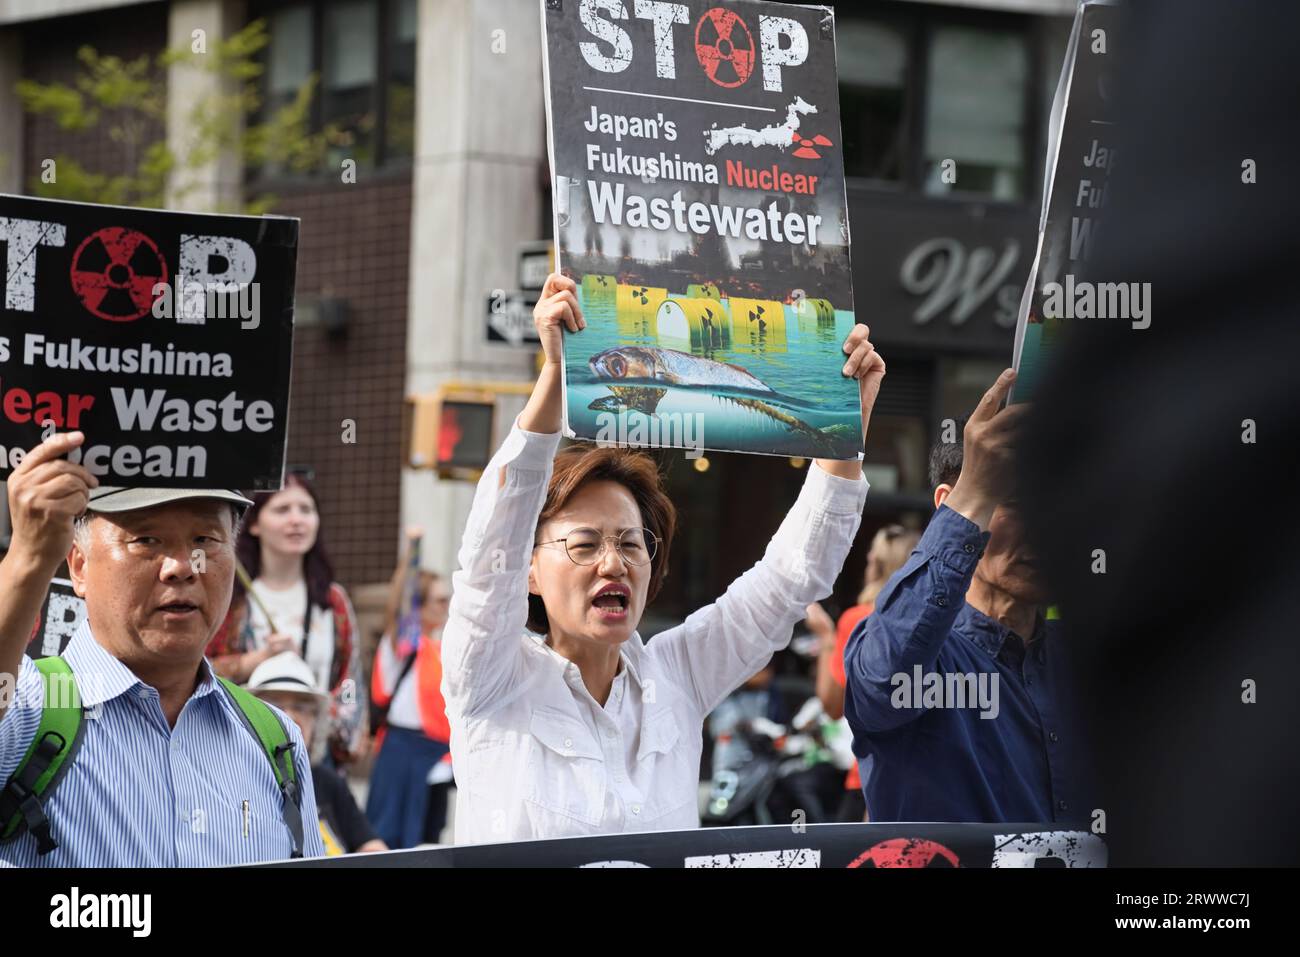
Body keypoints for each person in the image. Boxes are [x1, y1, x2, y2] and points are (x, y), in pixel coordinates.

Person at [441, 272, 885, 843]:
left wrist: (844, 435)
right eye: (584, 544)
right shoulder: (491, 680)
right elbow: (493, 548)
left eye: (631, 543)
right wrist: (555, 374)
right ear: (527, 569)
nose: (613, 564)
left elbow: (787, 583)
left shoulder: (677, 677)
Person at [0, 432, 325, 865]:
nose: (180, 567)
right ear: (78, 566)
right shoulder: (26, 709)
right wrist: (27, 557)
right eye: (146, 540)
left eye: (205, 540)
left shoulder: (277, 739)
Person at [842, 371, 1089, 824]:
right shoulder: (918, 657)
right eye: (1017, 502)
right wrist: (974, 494)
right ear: (951, 503)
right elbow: (883, 683)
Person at [206, 472, 365, 765]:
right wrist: (257, 660)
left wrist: (323, 713)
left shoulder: (332, 601)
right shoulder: (232, 598)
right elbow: (199, 671)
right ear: (254, 524)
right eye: (282, 510)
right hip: (244, 750)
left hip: (315, 755)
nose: (296, 520)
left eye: (306, 509)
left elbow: (351, 683)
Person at [813, 524, 920, 821]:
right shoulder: (931, 624)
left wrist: (826, 638)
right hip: (925, 778)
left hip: (869, 777)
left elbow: (832, 705)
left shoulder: (859, 619)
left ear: (876, 565)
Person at [247, 652, 387, 856]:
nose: (289, 717)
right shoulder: (236, 782)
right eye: (275, 707)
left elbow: (372, 847)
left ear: (316, 721)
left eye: (301, 708)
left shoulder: (327, 782)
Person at [366, 527, 454, 847]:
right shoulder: (405, 643)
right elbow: (402, 600)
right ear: (420, 604)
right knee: (389, 841)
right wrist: (414, 550)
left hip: (438, 758)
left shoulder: (445, 648)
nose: (447, 606)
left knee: (429, 842)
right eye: (440, 600)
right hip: (402, 752)